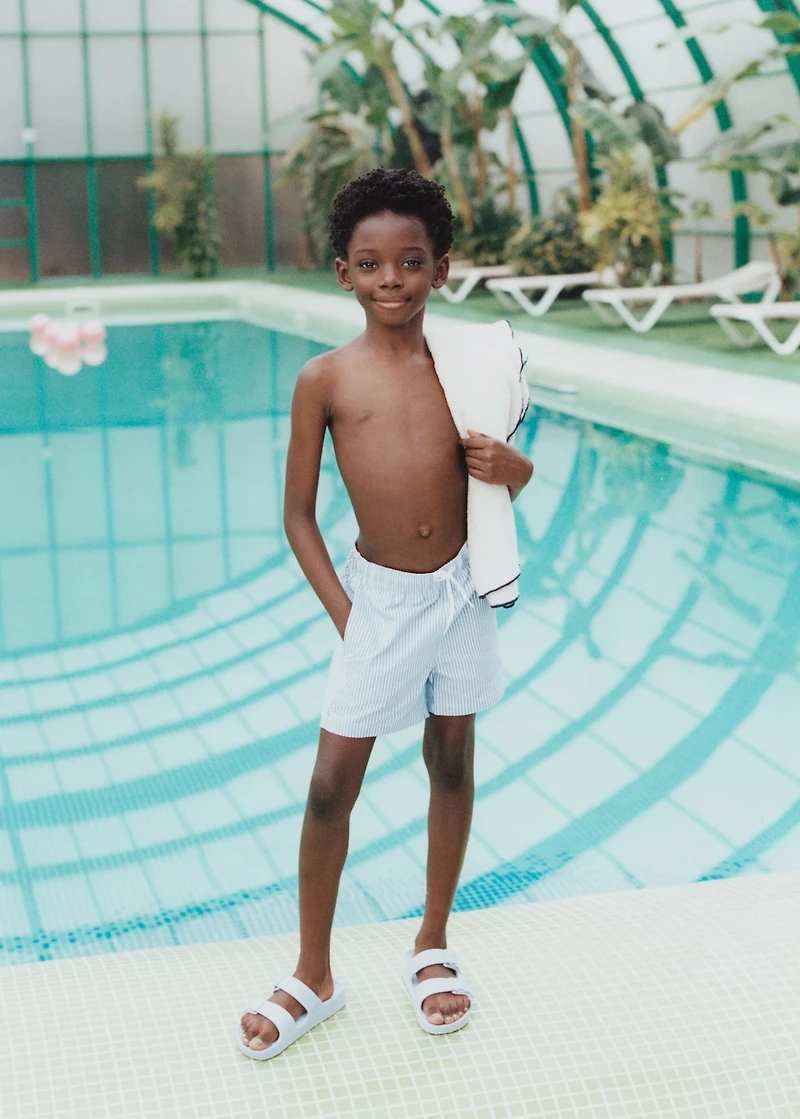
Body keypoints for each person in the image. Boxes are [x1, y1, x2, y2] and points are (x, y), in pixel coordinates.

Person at [239, 168, 534, 1060]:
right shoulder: (324, 379)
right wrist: (346, 612)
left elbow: (515, 474)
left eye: (411, 261)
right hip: (382, 602)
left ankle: (432, 939)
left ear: (440, 268)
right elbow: (295, 513)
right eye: (372, 264)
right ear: (343, 274)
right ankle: (313, 970)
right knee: (333, 784)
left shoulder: (469, 371)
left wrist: (507, 469)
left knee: (452, 759)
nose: (393, 279)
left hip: (462, 591)